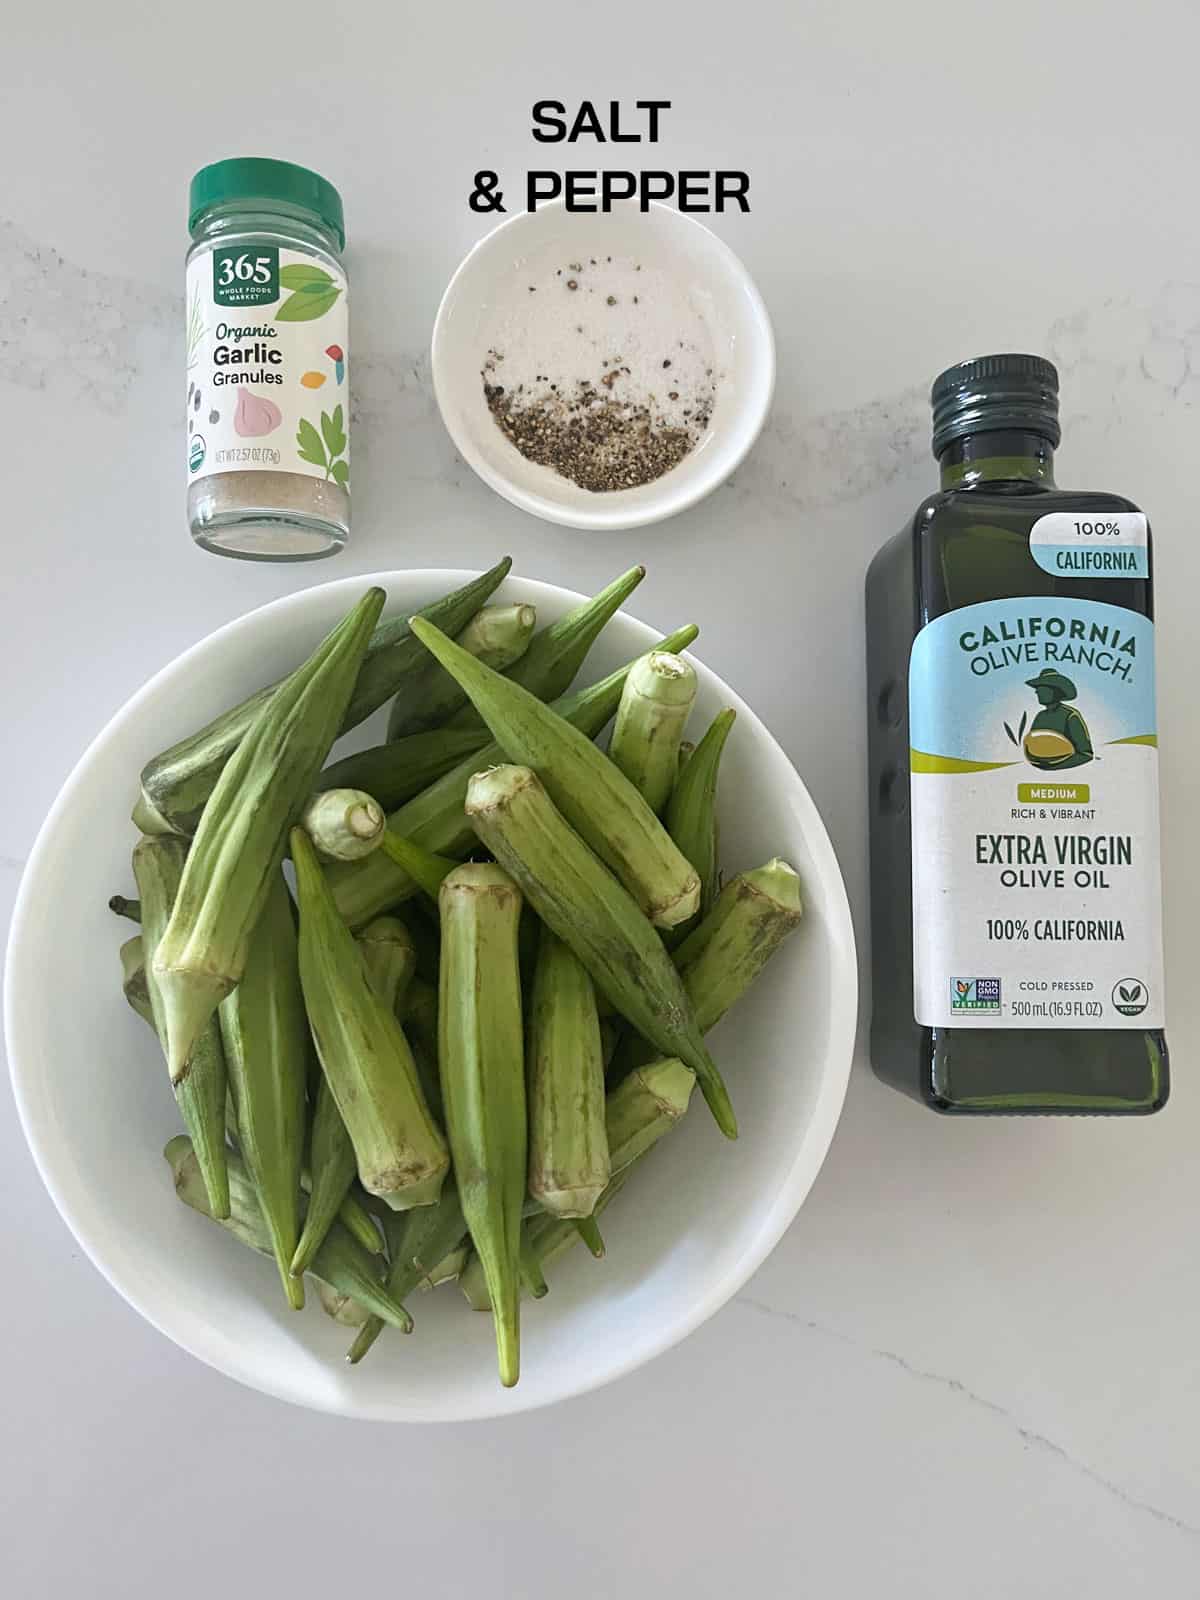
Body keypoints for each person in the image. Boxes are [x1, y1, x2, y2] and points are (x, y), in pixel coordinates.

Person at [1024, 668, 1093, 770]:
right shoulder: (1040, 716)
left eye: (1042, 688)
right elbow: (1033, 746)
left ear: (1056, 691)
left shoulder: (1070, 716)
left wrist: (1053, 767)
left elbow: (1086, 754)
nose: (1037, 691)